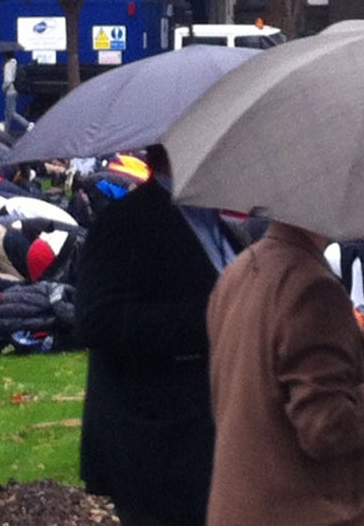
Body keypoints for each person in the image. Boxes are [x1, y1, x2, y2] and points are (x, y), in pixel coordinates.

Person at [205, 219, 364, 526]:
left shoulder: (240, 270)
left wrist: (348, 345)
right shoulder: (311, 287)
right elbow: (326, 427)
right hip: (299, 511)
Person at [76, 145, 239, 526]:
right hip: (154, 444)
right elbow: (96, 320)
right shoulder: (126, 223)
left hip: (207, 438)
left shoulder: (218, 223)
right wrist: (212, 315)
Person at [0, 51, 32, 134]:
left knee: (11, 113)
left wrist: (3, 87)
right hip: (15, 90)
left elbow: (8, 80)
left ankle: (27, 125)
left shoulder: (8, 65)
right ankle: (5, 131)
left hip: (10, 91)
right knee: (7, 113)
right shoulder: (14, 64)